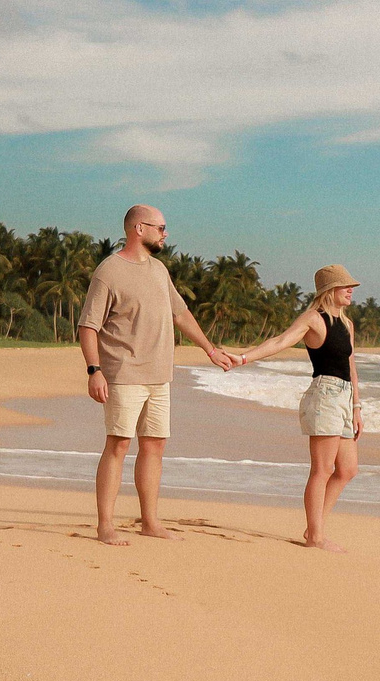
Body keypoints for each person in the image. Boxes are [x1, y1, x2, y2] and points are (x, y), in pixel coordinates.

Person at [77, 204, 237, 545]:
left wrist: (210, 349)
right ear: (138, 228)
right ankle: (105, 525)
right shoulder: (109, 271)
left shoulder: (159, 270)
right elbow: (88, 327)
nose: (166, 233)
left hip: (160, 375)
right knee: (118, 445)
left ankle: (149, 521)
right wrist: (94, 371)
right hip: (123, 372)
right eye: (160, 227)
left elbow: (181, 314)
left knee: (155, 446)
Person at [231, 264, 362, 550]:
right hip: (324, 396)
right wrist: (244, 358)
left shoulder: (347, 324)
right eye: (345, 285)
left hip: (344, 397)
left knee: (348, 469)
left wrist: (357, 407)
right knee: (323, 469)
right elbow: (280, 341)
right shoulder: (314, 319)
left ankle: (314, 528)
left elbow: (351, 365)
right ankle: (315, 536)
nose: (351, 290)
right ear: (330, 290)